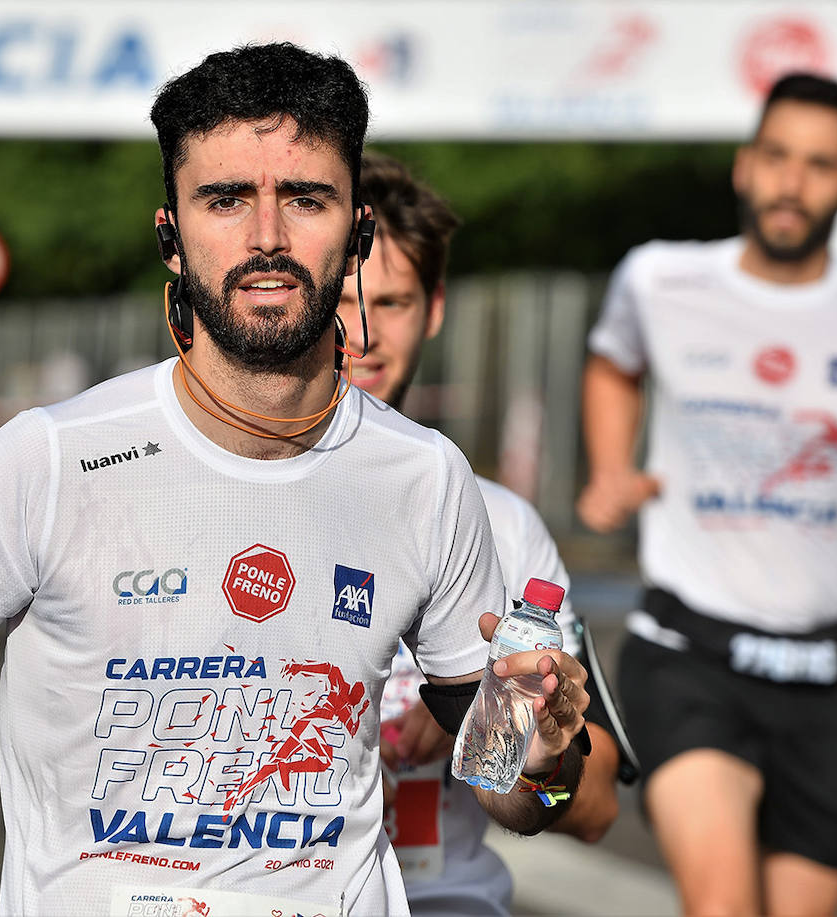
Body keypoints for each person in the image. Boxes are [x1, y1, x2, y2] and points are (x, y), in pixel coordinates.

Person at [0, 43, 592, 916]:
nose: (267, 236)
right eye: (226, 198)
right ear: (171, 236)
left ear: (357, 233)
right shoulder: (47, 458)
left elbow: (514, 793)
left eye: (305, 198)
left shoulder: (424, 479)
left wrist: (540, 755)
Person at [578, 72, 837, 916]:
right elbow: (612, 361)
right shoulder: (661, 281)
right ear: (744, 165)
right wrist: (610, 467)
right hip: (691, 654)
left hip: (830, 672)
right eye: (777, 157)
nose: (792, 183)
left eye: (820, 165)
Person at [336, 152, 622, 916]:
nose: (362, 333)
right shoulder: (223, 496)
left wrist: (525, 745)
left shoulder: (498, 521)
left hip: (442, 900)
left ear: (432, 309)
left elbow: (591, 810)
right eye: (340, 299)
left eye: (391, 302)